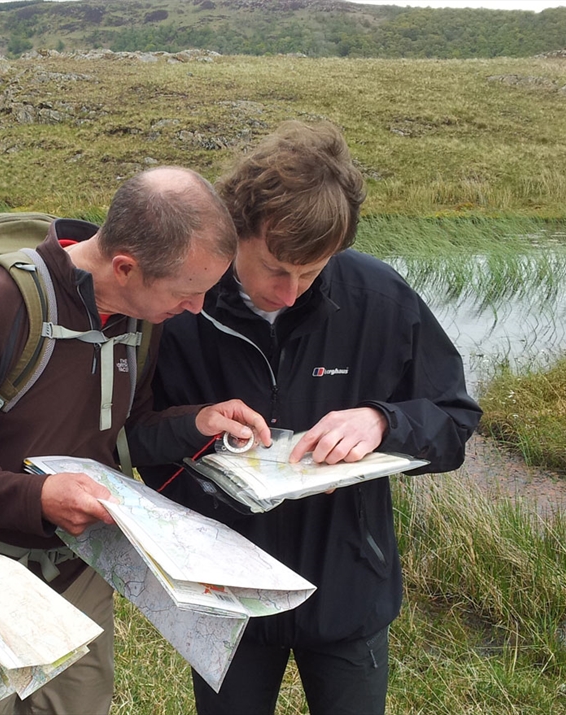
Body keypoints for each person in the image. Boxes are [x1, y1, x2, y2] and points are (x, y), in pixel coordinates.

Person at [127, 122, 482, 714]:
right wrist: (195, 425)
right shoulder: (175, 308)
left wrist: (383, 420)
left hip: (348, 588)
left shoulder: (380, 298)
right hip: (224, 592)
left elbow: (454, 421)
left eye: (312, 272)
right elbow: (131, 439)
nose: (290, 293)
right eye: (274, 268)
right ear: (234, 229)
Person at [0, 166, 268, 714]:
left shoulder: (142, 318)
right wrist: (37, 500)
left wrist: (197, 423)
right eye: (188, 292)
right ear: (125, 266)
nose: (196, 308)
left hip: (77, 571)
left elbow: (127, 432)